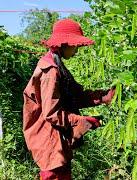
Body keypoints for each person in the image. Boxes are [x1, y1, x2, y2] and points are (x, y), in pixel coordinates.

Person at [22, 18, 115, 180]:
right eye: (75, 46)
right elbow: (52, 114)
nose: (77, 51)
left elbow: (75, 96)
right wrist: (83, 121)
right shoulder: (50, 71)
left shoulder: (56, 64)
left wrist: (102, 96)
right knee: (54, 175)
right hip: (48, 140)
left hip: (54, 138)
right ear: (64, 44)